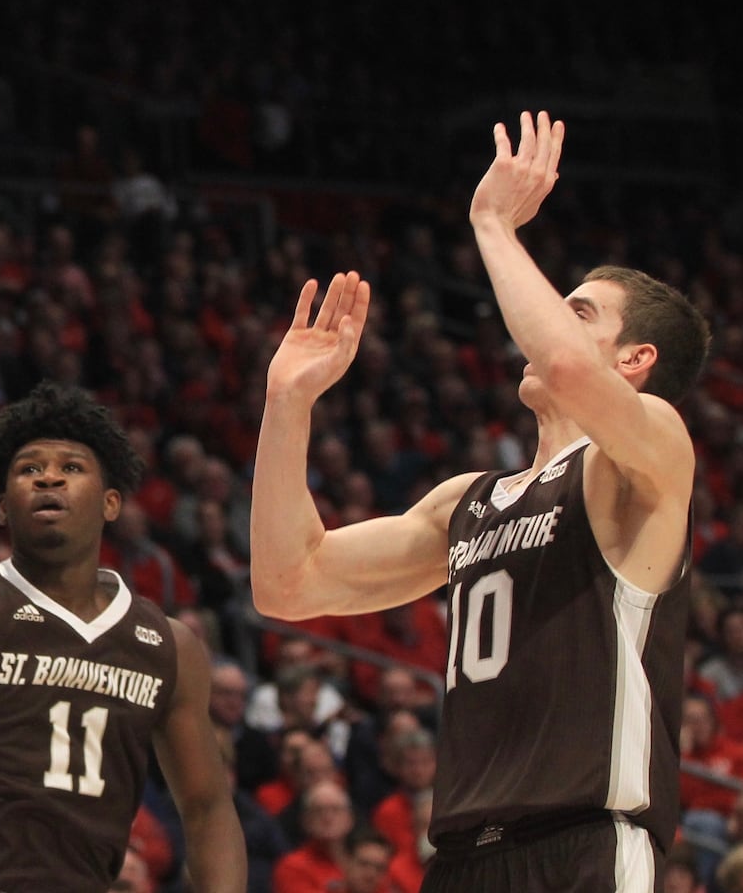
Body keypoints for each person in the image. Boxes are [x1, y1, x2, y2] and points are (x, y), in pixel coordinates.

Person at [248, 112, 709, 890]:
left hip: (584, 844)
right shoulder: (466, 501)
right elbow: (286, 582)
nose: (543, 327)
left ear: (633, 360)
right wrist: (287, 404)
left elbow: (566, 372)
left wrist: (493, 222)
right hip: (463, 855)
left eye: (577, 313)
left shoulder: (648, 453)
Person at [0, 382, 244, 891]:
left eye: (71, 468)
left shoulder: (167, 644)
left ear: (111, 503)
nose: (48, 478)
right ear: (0, 507)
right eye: (28, 469)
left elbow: (206, 807)